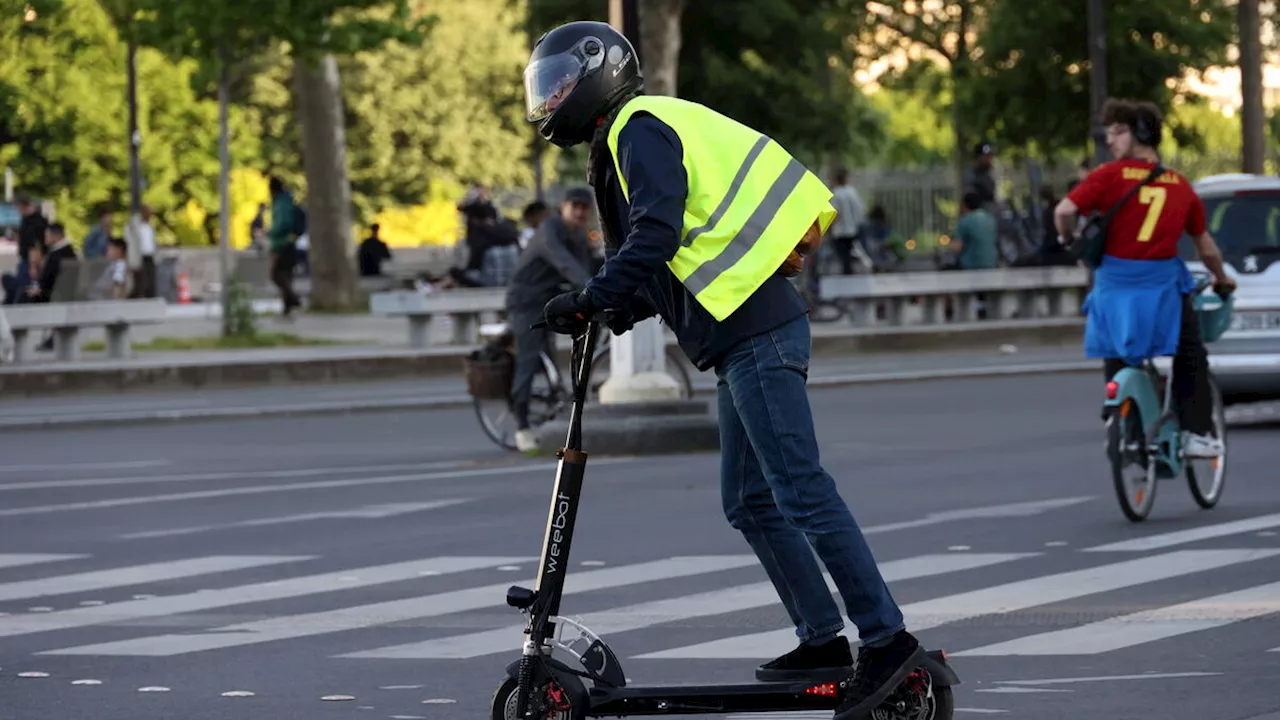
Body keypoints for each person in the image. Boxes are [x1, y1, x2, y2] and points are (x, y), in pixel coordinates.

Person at [523, 21, 924, 720]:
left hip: (758, 334)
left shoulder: (637, 127)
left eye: (559, 81)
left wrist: (596, 293)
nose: (551, 96)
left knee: (800, 491)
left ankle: (886, 640)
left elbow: (659, 232)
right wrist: (610, 312)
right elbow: (675, 263)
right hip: (746, 335)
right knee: (752, 501)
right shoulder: (635, 131)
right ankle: (823, 640)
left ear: (598, 73)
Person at [1053, 98, 1235, 458]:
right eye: (1108, 133)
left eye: (1118, 132)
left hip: (1114, 287)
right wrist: (1221, 278)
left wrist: (1067, 240)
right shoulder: (1180, 185)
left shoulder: (1107, 176)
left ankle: (1122, 423)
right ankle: (1197, 433)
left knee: (1117, 350)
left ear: (1140, 134)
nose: (1110, 140)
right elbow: (1206, 248)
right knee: (1189, 353)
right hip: (1160, 289)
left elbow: (1065, 211)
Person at [504, 187, 597, 452]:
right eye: (574, 206)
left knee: (559, 350)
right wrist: (592, 288)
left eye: (584, 207)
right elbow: (566, 264)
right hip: (526, 299)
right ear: (563, 207)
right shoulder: (549, 230)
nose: (579, 212)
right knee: (529, 357)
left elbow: (584, 269)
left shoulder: (579, 234)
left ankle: (559, 402)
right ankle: (522, 426)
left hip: (551, 297)